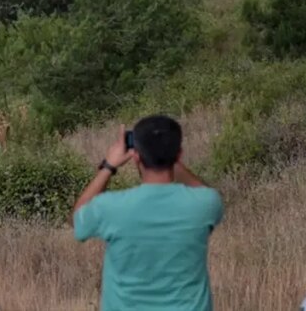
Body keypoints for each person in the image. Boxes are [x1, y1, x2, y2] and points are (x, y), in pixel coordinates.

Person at [73, 116, 224, 311]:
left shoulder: (111, 207)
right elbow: (206, 194)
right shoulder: (204, 204)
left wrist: (108, 166)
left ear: (136, 156)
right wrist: (172, 161)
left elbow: (79, 222)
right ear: (179, 154)